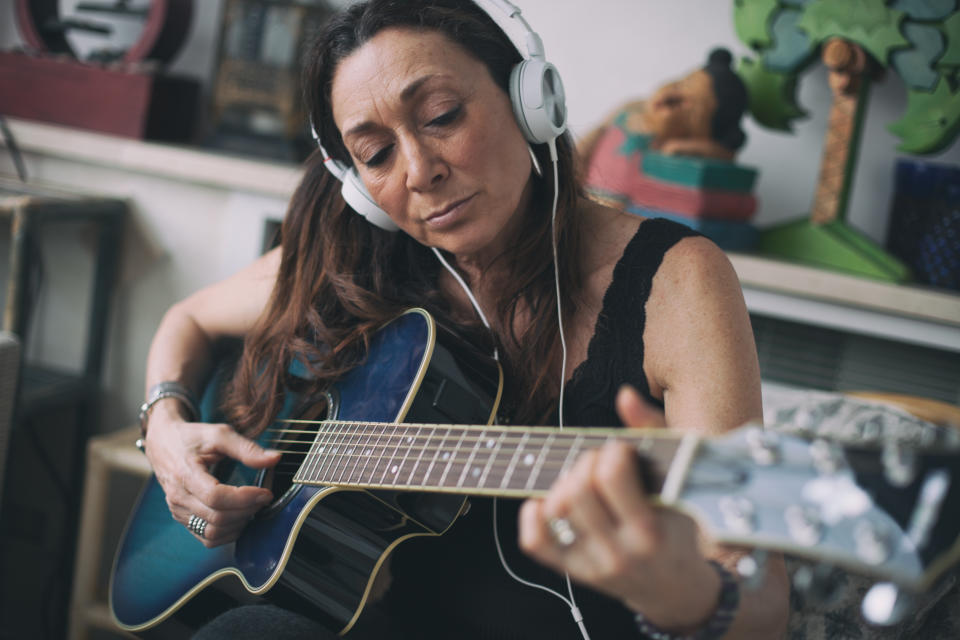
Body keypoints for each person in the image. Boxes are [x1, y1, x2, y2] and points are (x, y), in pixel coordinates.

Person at [138, 1, 789, 638]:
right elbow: (187, 319)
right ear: (358, 188)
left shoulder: (677, 279)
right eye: (375, 153)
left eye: (442, 116)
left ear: (530, 100)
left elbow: (762, 603)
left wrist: (686, 593)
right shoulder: (359, 250)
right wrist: (165, 427)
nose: (420, 172)